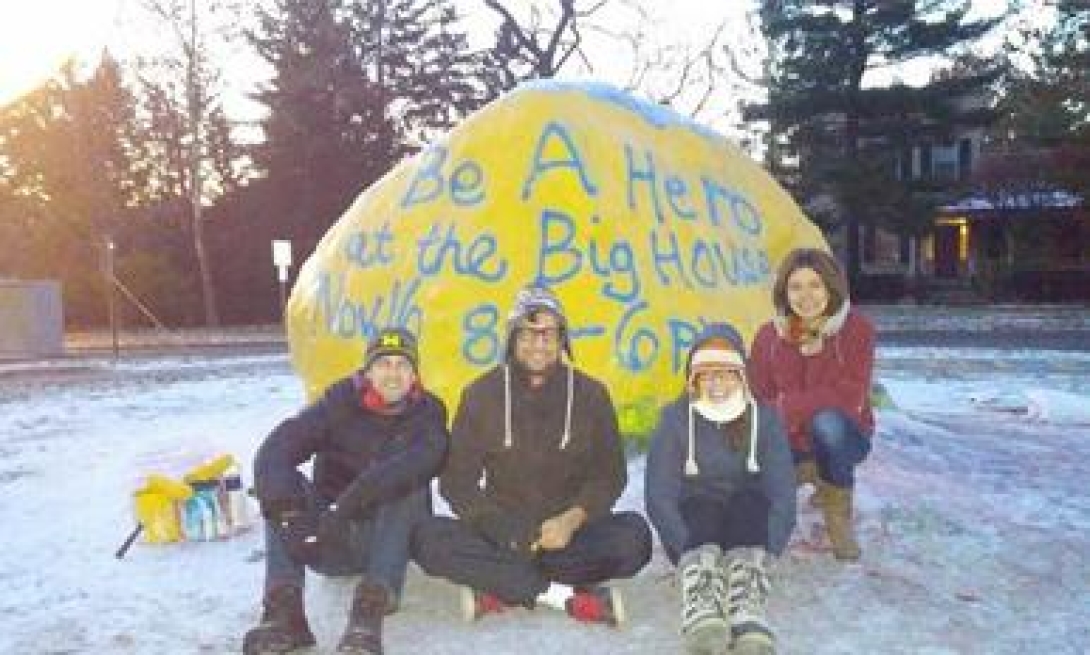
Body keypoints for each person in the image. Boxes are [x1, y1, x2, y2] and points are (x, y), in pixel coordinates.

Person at [412, 284, 652, 627]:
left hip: (569, 536)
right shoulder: (481, 395)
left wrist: (572, 519)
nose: (538, 344)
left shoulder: (591, 395)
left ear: (562, 340)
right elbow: (456, 481)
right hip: (501, 533)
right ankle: (564, 597)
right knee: (426, 537)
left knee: (635, 538)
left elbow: (610, 475)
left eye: (548, 334)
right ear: (512, 339)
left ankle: (500, 587)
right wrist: (499, 527)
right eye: (528, 333)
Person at [243, 327, 448, 655]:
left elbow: (422, 461)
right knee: (279, 486)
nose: (393, 374)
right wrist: (294, 520)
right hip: (328, 538)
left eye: (402, 365)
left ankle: (367, 617)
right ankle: (285, 612)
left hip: (386, 543)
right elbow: (277, 449)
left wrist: (346, 505)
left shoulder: (429, 412)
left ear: (415, 375)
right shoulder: (338, 401)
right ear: (368, 371)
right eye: (384, 364)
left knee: (408, 485)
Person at [646, 323, 796, 655]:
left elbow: (783, 492)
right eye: (706, 374)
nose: (716, 384)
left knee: (750, 500)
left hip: (750, 532)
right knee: (701, 504)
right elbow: (659, 495)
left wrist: (769, 550)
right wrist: (684, 549)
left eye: (726, 374)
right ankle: (701, 603)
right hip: (693, 534)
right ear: (692, 379)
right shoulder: (674, 420)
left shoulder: (765, 420)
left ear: (742, 377)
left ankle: (747, 604)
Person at [748, 247, 875, 561]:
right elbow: (759, 397)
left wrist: (785, 407)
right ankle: (802, 474)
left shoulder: (856, 330)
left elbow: (849, 397)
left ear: (831, 287)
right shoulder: (768, 336)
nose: (806, 296)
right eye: (796, 287)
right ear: (784, 292)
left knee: (827, 423)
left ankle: (837, 516)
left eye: (815, 285)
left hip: (845, 434)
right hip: (787, 438)